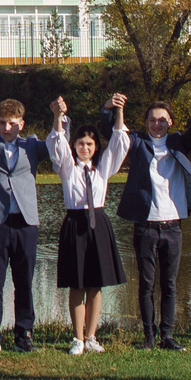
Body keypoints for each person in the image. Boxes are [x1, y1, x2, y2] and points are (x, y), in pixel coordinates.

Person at [112, 97, 191, 350]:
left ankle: (167, 336)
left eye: (162, 120)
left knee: (170, 284)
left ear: (170, 122)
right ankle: (149, 336)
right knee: (146, 283)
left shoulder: (177, 143)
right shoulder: (138, 143)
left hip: (172, 225)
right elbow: (114, 132)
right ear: (145, 123)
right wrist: (112, 108)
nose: (157, 124)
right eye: (152, 120)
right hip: (145, 225)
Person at [0, 96, 56, 352]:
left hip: (26, 224)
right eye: (2, 123)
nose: (7, 128)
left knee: (24, 281)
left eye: (12, 123)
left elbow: (55, 144)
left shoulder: (33, 146)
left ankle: (24, 333)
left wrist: (58, 117)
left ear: (22, 123)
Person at [47, 94, 131, 354]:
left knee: (96, 283)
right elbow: (57, 144)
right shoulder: (67, 168)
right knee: (77, 284)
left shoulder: (103, 169)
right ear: (75, 145)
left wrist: (119, 111)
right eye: (81, 143)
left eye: (90, 144)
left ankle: (92, 336)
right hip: (75, 224)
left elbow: (119, 142)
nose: (85, 147)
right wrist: (58, 116)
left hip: (99, 224)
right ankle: (78, 338)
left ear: (96, 147)